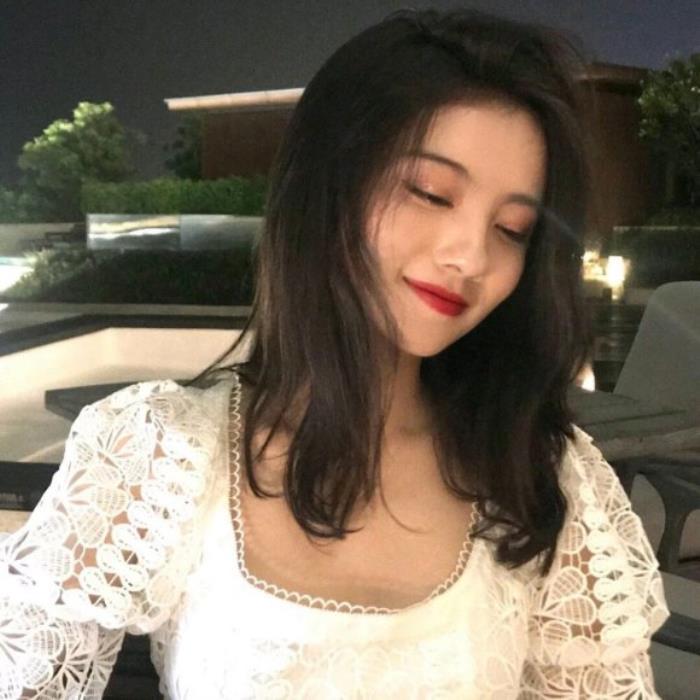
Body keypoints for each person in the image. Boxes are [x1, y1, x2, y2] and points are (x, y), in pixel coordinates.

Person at [0, 7, 670, 698]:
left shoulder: (543, 480)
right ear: (329, 186)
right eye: (431, 193)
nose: (471, 256)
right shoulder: (159, 457)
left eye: (512, 229)